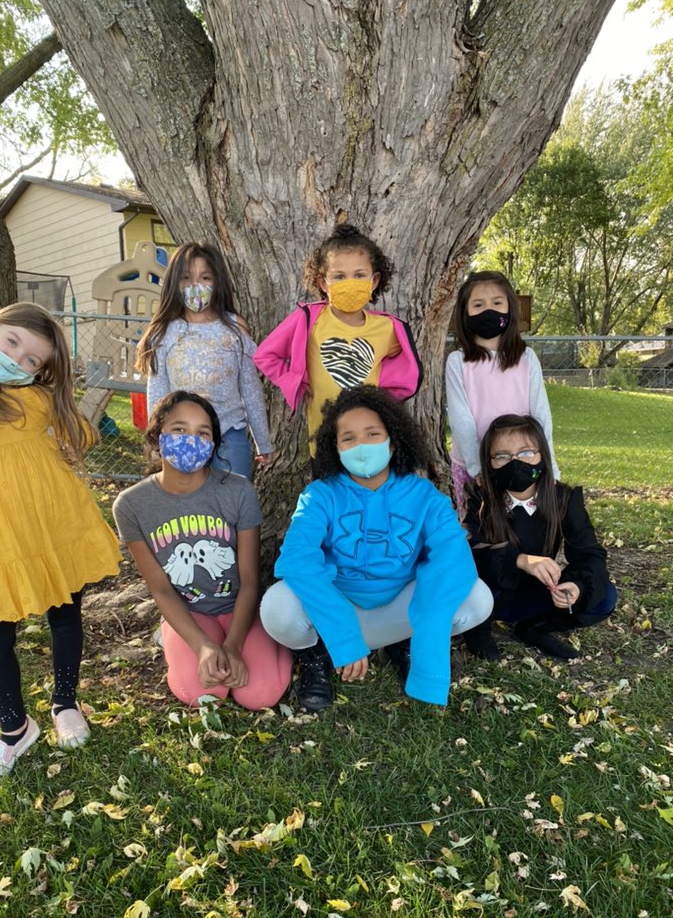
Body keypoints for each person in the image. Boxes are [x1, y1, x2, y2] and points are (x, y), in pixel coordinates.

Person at [0, 302, 122, 783]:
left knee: (65, 614)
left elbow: (78, 438)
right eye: (12, 343)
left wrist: (68, 439)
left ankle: (65, 702)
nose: (17, 359)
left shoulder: (40, 397)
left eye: (32, 359)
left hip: (55, 525)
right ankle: (14, 729)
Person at [260, 386, 493, 712]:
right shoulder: (319, 495)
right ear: (336, 447)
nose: (362, 446)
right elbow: (299, 560)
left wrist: (429, 644)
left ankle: (403, 644)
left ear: (392, 441)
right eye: (349, 438)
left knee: (477, 597)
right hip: (338, 604)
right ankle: (318, 654)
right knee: (276, 608)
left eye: (372, 434)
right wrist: (343, 636)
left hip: (400, 604)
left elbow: (452, 559)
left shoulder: (424, 494)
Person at [112, 391, 291, 709]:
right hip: (189, 615)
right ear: (158, 436)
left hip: (240, 610)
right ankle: (174, 637)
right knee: (206, 694)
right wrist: (203, 646)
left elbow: (250, 580)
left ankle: (261, 647)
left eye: (203, 433)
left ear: (213, 444)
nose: (190, 440)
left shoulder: (238, 491)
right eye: (179, 429)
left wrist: (233, 645)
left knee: (260, 695)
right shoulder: (131, 505)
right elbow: (160, 589)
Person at [253, 223, 422, 461]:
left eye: (359, 275)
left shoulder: (388, 329)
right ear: (323, 283)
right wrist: (295, 381)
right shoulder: (308, 320)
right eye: (339, 276)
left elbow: (405, 370)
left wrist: (384, 398)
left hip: (367, 440)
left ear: (374, 281)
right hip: (324, 438)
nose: (350, 282)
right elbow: (265, 355)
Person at [463, 414, 616, 662]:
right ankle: (478, 629)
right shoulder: (480, 499)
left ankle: (534, 628)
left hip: (538, 592)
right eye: (501, 456)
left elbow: (590, 553)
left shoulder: (563, 499)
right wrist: (519, 559)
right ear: (489, 463)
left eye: (526, 453)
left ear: (542, 455)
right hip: (491, 594)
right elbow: (469, 552)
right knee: (468, 586)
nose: (515, 463)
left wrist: (576, 587)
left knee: (604, 596)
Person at [134, 242, 274, 480]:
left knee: (233, 499)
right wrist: (157, 441)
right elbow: (157, 392)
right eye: (186, 278)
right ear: (174, 283)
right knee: (187, 500)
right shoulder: (164, 332)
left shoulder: (235, 328)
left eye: (205, 277)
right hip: (181, 437)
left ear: (218, 282)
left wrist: (263, 441)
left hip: (229, 436)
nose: (195, 285)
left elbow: (250, 388)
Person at [446, 270, 558, 515]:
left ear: (510, 309)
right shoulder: (457, 362)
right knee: (480, 525)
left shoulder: (526, 358)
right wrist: (478, 468)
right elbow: (460, 418)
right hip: (475, 466)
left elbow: (541, 413)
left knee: (525, 523)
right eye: (478, 305)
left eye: (497, 303)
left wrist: (550, 465)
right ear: (465, 313)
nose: (489, 310)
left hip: (524, 463)